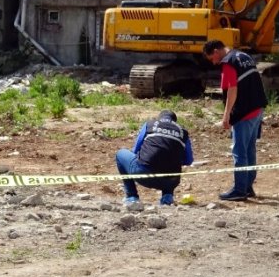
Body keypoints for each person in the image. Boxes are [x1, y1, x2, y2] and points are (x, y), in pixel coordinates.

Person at [203, 39, 268, 201]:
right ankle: (247, 187)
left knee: (239, 151)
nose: (213, 62)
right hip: (257, 107)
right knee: (250, 149)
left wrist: (226, 116)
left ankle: (239, 190)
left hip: (244, 112)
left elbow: (232, 89)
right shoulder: (244, 56)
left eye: (212, 58)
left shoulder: (228, 62)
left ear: (216, 52)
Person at [115, 110, 194, 205]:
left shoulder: (150, 124)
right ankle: (167, 197)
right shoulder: (183, 132)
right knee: (171, 161)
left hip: (143, 174)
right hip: (171, 181)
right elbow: (189, 161)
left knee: (120, 154)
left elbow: (135, 150)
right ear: (174, 121)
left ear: (159, 118)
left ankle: (132, 196)